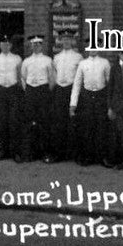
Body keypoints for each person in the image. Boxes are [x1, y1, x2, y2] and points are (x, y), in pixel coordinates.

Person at [70, 46, 111, 166]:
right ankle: (88, 156)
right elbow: (77, 84)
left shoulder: (105, 62)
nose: (93, 50)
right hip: (87, 97)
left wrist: (110, 103)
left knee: (101, 127)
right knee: (87, 127)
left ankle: (102, 157)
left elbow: (109, 82)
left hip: (101, 97)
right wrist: (73, 104)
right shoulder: (82, 63)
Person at [0, 33, 23, 161]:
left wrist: (20, 91)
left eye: (7, 44)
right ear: (0, 45)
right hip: (1, 92)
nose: (5, 46)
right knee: (1, 123)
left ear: (11, 45)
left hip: (13, 91)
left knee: (14, 122)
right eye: (3, 43)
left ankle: (15, 153)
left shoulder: (17, 59)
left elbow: (21, 77)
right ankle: (1, 152)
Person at [19, 35, 54, 163]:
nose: (36, 46)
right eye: (34, 44)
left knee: (44, 123)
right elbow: (23, 78)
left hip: (43, 91)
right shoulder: (26, 61)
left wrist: (44, 91)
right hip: (30, 92)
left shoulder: (48, 60)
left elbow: (52, 79)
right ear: (31, 46)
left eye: (38, 44)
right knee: (29, 123)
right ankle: (29, 153)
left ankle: (45, 153)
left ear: (42, 45)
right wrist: (29, 90)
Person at [51, 30, 82, 163]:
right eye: (64, 39)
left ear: (72, 41)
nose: (66, 42)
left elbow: (79, 78)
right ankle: (59, 153)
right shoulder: (56, 57)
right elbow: (54, 74)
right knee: (59, 122)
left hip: (72, 90)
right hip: (59, 90)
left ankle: (73, 154)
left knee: (73, 122)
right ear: (60, 41)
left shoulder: (78, 57)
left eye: (69, 39)